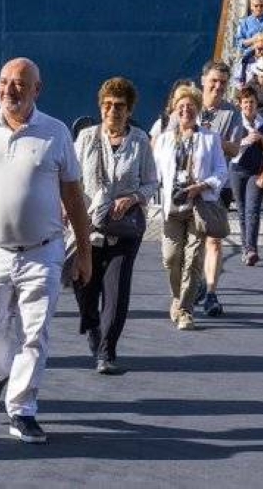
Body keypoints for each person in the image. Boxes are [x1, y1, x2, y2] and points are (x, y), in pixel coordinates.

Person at [0, 57, 92, 445]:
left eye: (18, 84)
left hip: (42, 253)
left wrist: (86, 251)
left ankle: (23, 409)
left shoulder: (55, 133)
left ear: (36, 90)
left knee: (34, 333)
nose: (9, 89)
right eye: (3, 81)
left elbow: (74, 197)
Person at [73, 77, 158, 375]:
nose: (113, 111)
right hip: (88, 226)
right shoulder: (85, 139)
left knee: (116, 291)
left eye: (119, 106)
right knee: (84, 286)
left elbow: (151, 182)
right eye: (107, 105)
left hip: (124, 229)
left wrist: (133, 197)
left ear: (130, 108)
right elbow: (70, 180)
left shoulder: (140, 141)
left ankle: (106, 353)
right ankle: (92, 326)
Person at [153, 85, 227, 331]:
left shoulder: (210, 138)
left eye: (190, 107)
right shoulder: (163, 140)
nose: (185, 111)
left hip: (198, 206)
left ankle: (185, 310)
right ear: (174, 110)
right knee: (171, 258)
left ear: (197, 110)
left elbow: (221, 171)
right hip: (172, 207)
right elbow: (154, 174)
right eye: (181, 107)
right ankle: (177, 297)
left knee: (194, 258)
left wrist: (203, 186)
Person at [198, 61, 243, 318]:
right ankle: (195, 284)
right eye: (214, 81)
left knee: (213, 240)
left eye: (223, 83)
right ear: (203, 80)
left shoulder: (232, 113)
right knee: (191, 243)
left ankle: (212, 293)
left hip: (218, 187)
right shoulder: (187, 106)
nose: (218, 86)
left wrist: (208, 136)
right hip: (188, 186)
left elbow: (235, 149)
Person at [228, 86, 263, 267]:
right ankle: (245, 247)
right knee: (241, 210)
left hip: (257, 171)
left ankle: (251, 249)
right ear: (240, 104)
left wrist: (261, 138)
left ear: (256, 104)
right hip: (237, 170)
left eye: (252, 102)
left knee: (252, 209)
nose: (249, 105)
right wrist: (246, 141)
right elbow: (228, 145)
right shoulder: (235, 122)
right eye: (245, 102)